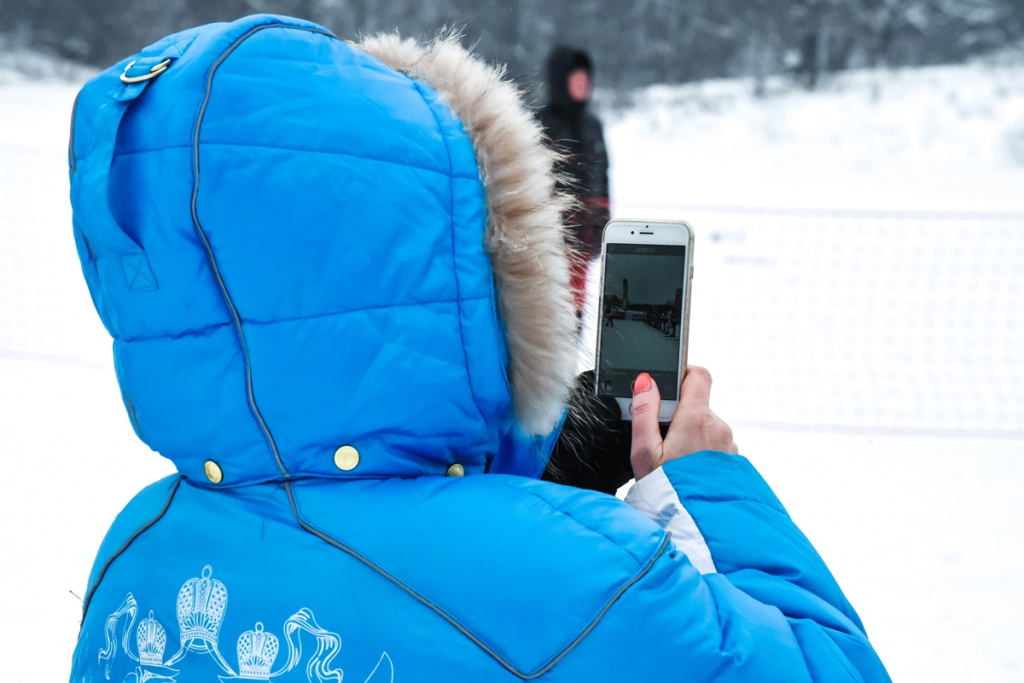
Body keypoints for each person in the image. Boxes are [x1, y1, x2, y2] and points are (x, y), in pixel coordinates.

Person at [68, 15, 890, 682]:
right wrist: (706, 487)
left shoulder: (131, 556)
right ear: (483, 275)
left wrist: (540, 462)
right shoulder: (585, 580)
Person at [538, 45, 611, 315]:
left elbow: (603, 175)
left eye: (586, 79)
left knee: (577, 307)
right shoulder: (542, 122)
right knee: (551, 306)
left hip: (585, 232)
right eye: (576, 79)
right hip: (552, 235)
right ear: (561, 81)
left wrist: (602, 220)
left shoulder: (593, 126)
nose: (583, 85)